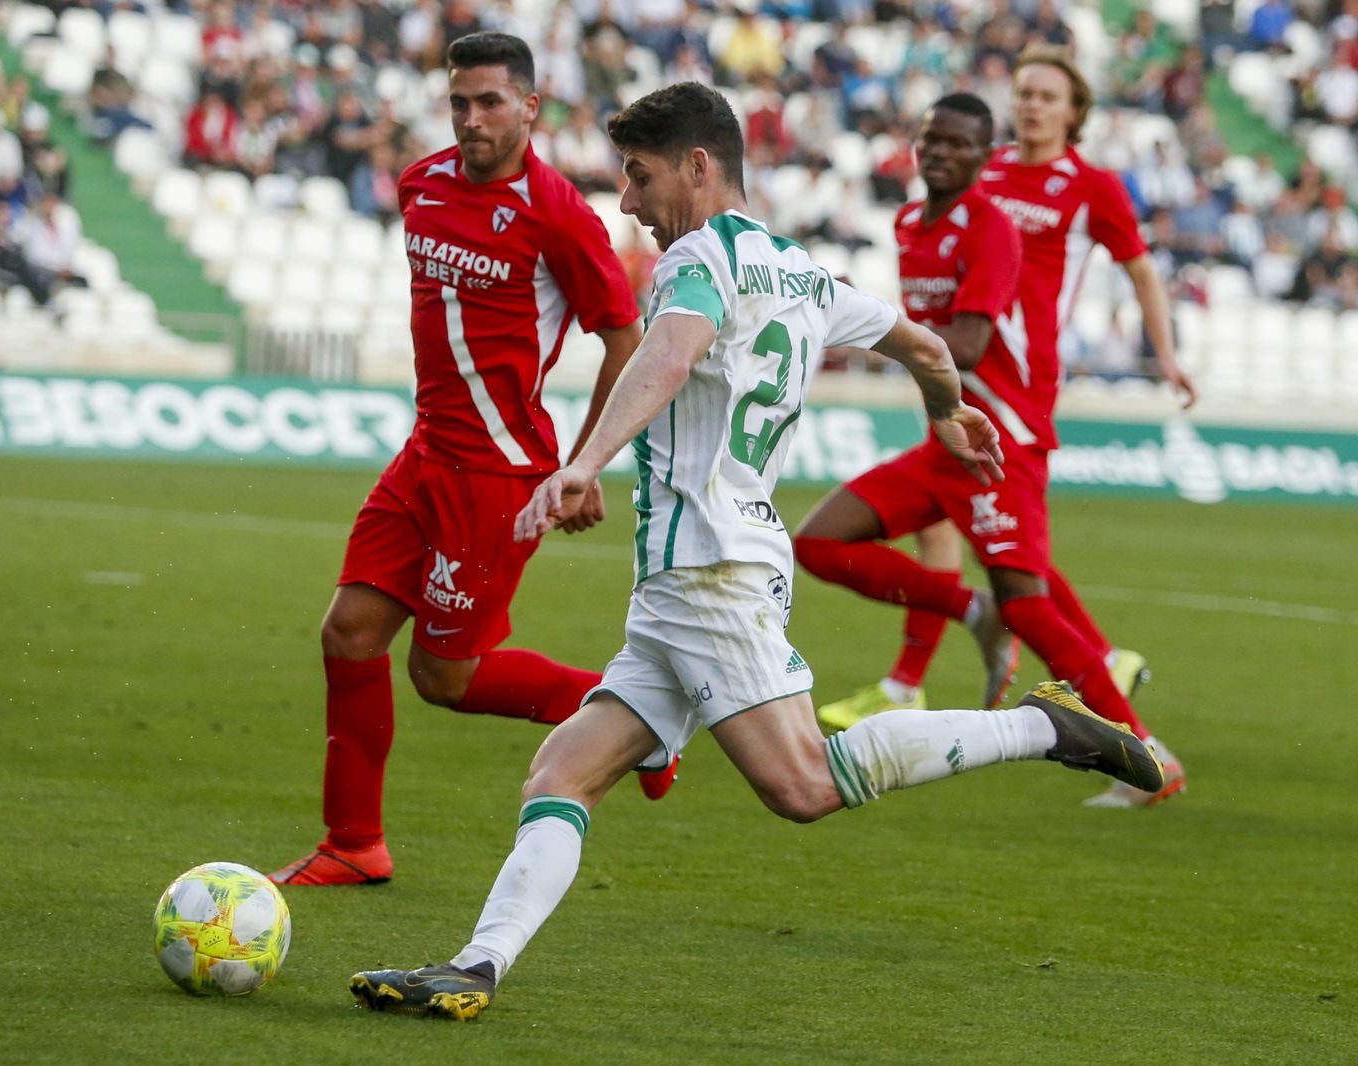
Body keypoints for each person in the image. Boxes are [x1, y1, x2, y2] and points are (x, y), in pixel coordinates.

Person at [347, 81, 1163, 1021]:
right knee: (565, 771)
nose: (627, 202)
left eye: (640, 177)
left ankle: (1044, 727)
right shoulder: (806, 273)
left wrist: (586, 463)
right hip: (692, 579)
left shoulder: (697, 260)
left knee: (808, 785)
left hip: (711, 571)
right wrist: (949, 415)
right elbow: (931, 349)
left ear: (699, 166)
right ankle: (477, 966)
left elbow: (669, 353)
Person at [268, 33, 668, 889]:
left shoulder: (559, 213)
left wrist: (583, 465)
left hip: (496, 475)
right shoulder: (422, 183)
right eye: (459, 102)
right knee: (348, 633)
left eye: (490, 102)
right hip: (422, 457)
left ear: (530, 106)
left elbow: (625, 339)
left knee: (444, 678)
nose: (473, 118)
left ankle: (635, 715)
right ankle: (353, 842)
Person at [801, 50, 1189, 811]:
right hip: (951, 417)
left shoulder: (1073, 194)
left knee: (1026, 595)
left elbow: (1134, 271)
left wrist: (1166, 355)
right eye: (1024, 93)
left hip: (1008, 411)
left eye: (1049, 95)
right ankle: (961, 632)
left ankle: (1141, 750)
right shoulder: (943, 202)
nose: (1034, 105)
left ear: (1074, 111)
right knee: (833, 546)